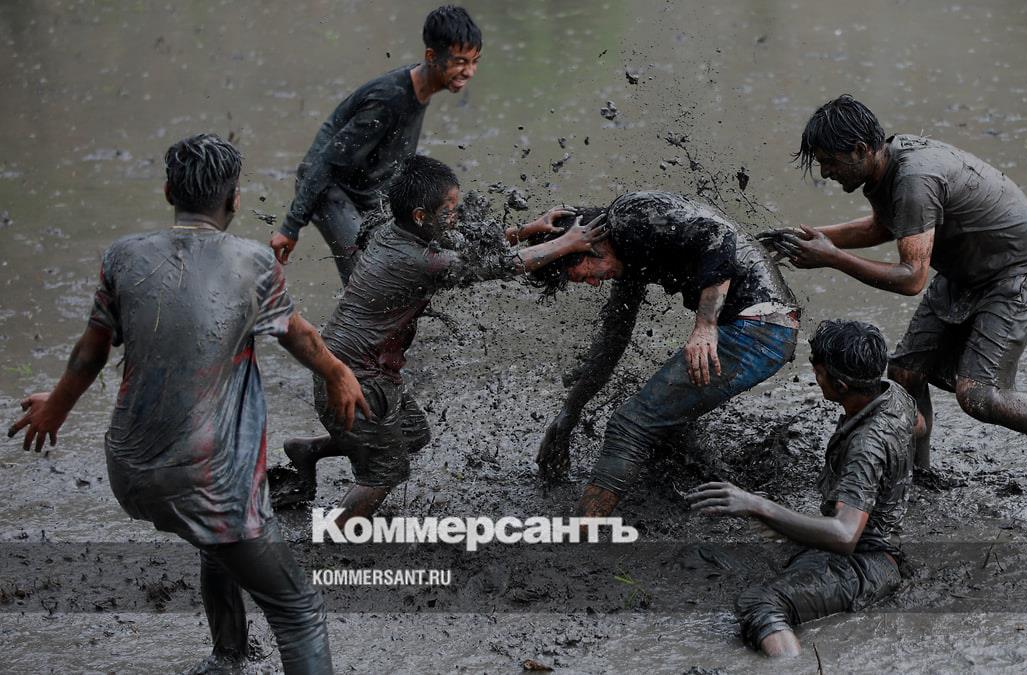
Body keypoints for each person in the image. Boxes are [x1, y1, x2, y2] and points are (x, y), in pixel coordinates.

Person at [6, 134, 369, 674]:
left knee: (215, 538)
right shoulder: (253, 262)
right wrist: (339, 372)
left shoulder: (123, 256)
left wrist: (56, 407)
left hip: (130, 470)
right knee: (299, 612)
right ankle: (231, 652)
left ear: (168, 191)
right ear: (235, 199)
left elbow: (90, 352)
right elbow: (298, 335)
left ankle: (226, 656)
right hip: (207, 478)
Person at [759, 95, 1027, 473]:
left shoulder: (914, 180)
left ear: (860, 149)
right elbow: (884, 226)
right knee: (906, 373)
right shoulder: (886, 164)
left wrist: (831, 257)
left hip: (1016, 272)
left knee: (980, 395)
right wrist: (808, 238)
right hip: (967, 268)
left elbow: (912, 278)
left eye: (829, 161)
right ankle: (916, 473)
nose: (825, 172)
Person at [275, 155, 608, 525]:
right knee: (384, 473)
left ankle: (308, 450)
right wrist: (568, 243)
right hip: (354, 380)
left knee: (412, 434)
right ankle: (334, 536)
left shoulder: (398, 231)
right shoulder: (419, 260)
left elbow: (469, 250)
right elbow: (503, 265)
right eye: (449, 210)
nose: (456, 217)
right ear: (421, 215)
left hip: (365, 369)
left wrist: (529, 229)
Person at [528, 191, 800, 518]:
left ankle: (583, 529)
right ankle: (733, 504)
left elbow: (718, 236)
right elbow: (613, 340)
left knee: (630, 424)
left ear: (585, 245)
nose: (593, 283)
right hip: (765, 326)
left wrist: (705, 325)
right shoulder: (629, 258)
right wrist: (568, 415)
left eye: (583, 274)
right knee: (665, 426)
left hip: (758, 327)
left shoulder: (628, 218)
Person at [686, 319, 913, 658]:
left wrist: (756, 504)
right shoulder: (892, 393)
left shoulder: (866, 447)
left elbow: (844, 535)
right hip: (882, 541)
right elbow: (919, 424)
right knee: (723, 555)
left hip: (868, 562)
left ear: (840, 384)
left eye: (818, 373)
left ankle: (792, 666)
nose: (815, 378)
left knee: (761, 604)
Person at [269, 5, 483, 284]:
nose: (470, 71)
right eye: (460, 62)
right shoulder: (388, 100)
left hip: (364, 191)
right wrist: (291, 227)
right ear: (431, 57)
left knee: (406, 268)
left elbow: (392, 164)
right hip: (329, 188)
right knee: (367, 277)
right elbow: (325, 161)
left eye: (474, 62)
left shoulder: (421, 90)